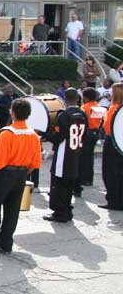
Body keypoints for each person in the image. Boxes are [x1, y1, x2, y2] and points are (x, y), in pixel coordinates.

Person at [0, 98, 42, 254]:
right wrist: (22, 173)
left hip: (4, 173)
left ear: (12, 112)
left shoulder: (7, 133)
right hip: (21, 174)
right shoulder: (33, 135)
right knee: (12, 211)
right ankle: (6, 244)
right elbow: (35, 162)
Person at [41, 88, 87, 223]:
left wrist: (45, 135)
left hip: (64, 153)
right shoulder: (83, 114)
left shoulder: (64, 115)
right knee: (69, 184)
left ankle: (59, 213)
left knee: (59, 184)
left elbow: (59, 137)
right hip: (76, 152)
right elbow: (84, 134)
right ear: (77, 99)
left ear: (64, 99)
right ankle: (67, 210)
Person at [100, 82, 123, 211]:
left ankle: (113, 201)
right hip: (121, 142)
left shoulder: (114, 108)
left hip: (112, 142)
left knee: (110, 173)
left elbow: (107, 127)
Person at [78, 88, 102, 190]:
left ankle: (83, 178)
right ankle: (89, 179)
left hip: (87, 133)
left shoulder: (84, 108)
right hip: (95, 132)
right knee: (90, 156)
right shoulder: (98, 107)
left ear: (85, 97)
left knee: (83, 157)